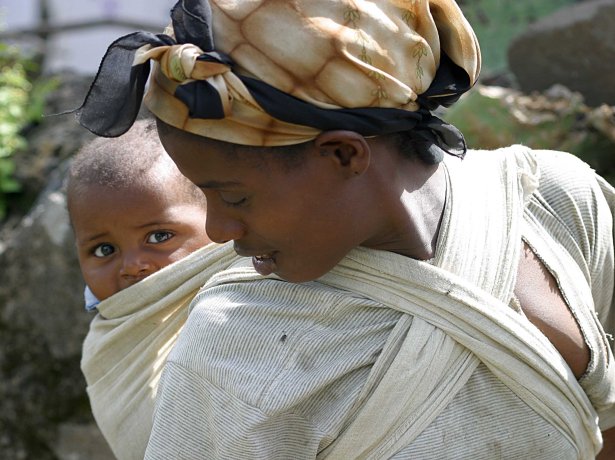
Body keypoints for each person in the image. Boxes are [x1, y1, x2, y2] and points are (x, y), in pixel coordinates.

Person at [76, 0, 615, 458]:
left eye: (233, 195)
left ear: (341, 153)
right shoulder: (232, 345)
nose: (217, 231)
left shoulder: (553, 198)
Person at [67, 118, 225, 459]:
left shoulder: (255, 289)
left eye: (158, 237)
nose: (132, 266)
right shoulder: (108, 350)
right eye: (104, 250)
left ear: (218, 217)